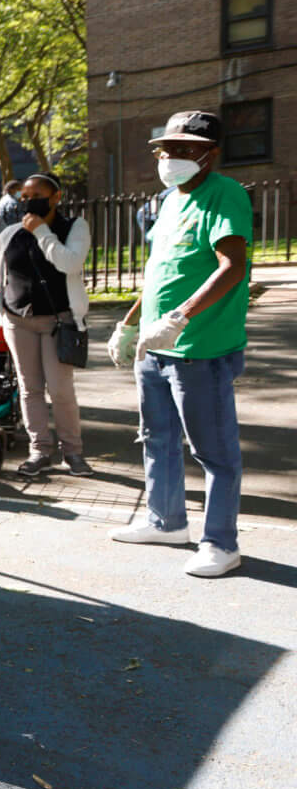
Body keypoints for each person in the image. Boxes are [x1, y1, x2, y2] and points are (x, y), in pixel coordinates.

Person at [106, 110, 253, 578]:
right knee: (158, 438)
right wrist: (130, 325)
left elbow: (231, 266)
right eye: (165, 149)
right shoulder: (169, 201)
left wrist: (179, 318)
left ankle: (221, 543)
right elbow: (159, 275)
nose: (170, 158)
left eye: (183, 150)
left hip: (199, 348)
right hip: (156, 345)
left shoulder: (225, 195)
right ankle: (166, 522)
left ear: (211, 154)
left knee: (214, 451)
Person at [0, 173, 91, 477]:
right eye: (24, 196)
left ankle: (73, 452)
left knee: (60, 388)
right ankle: (39, 451)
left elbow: (70, 264)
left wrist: (42, 233)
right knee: (29, 388)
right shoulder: (10, 233)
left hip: (58, 320)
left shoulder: (73, 227)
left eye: (37, 194)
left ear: (56, 197)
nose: (28, 201)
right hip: (17, 319)